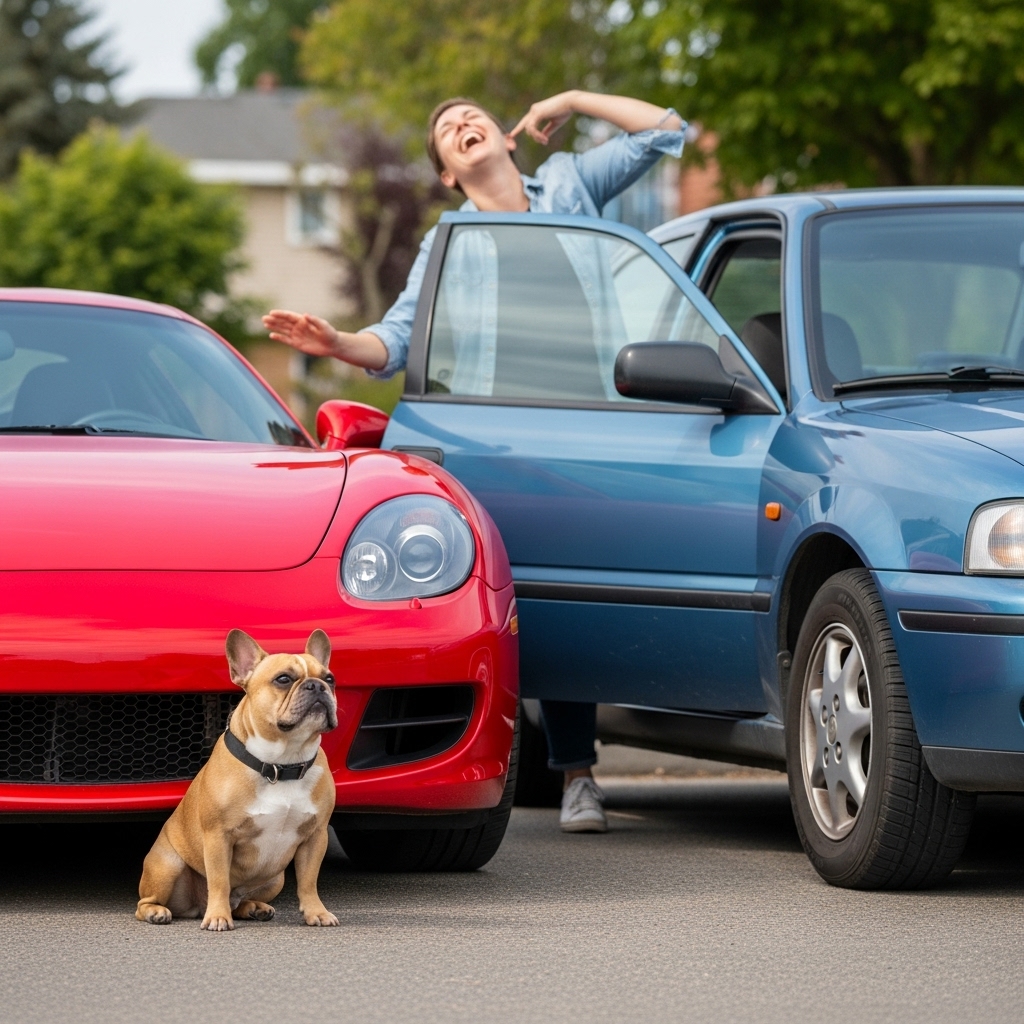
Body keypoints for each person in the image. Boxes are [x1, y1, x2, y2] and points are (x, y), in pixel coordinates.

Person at [263, 91, 686, 833]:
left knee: (578, 590)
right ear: (449, 176)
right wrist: (334, 343)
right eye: (446, 132)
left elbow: (667, 131)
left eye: (472, 117)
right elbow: (394, 340)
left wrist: (573, 99)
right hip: (500, 433)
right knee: (515, 599)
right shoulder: (450, 240)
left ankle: (577, 774)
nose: (461, 125)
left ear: (505, 136)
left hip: (593, 424)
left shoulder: (572, 185)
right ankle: (542, 769)